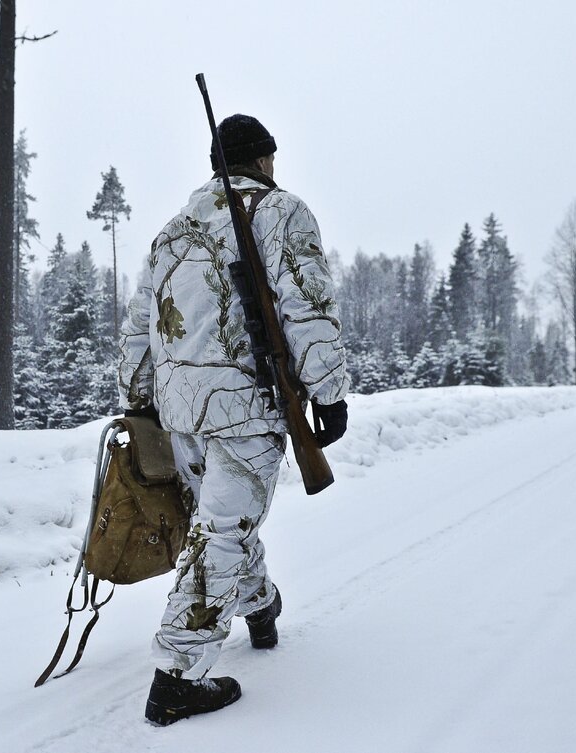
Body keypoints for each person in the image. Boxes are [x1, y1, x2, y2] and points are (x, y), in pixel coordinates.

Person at [117, 113, 351, 726]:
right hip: (245, 406)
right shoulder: (282, 213)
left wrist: (138, 397)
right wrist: (328, 391)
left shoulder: (173, 232)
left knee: (219, 522)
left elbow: (141, 322)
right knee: (221, 532)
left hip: (181, 411)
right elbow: (307, 305)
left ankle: (260, 606)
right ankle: (177, 677)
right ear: (265, 160)